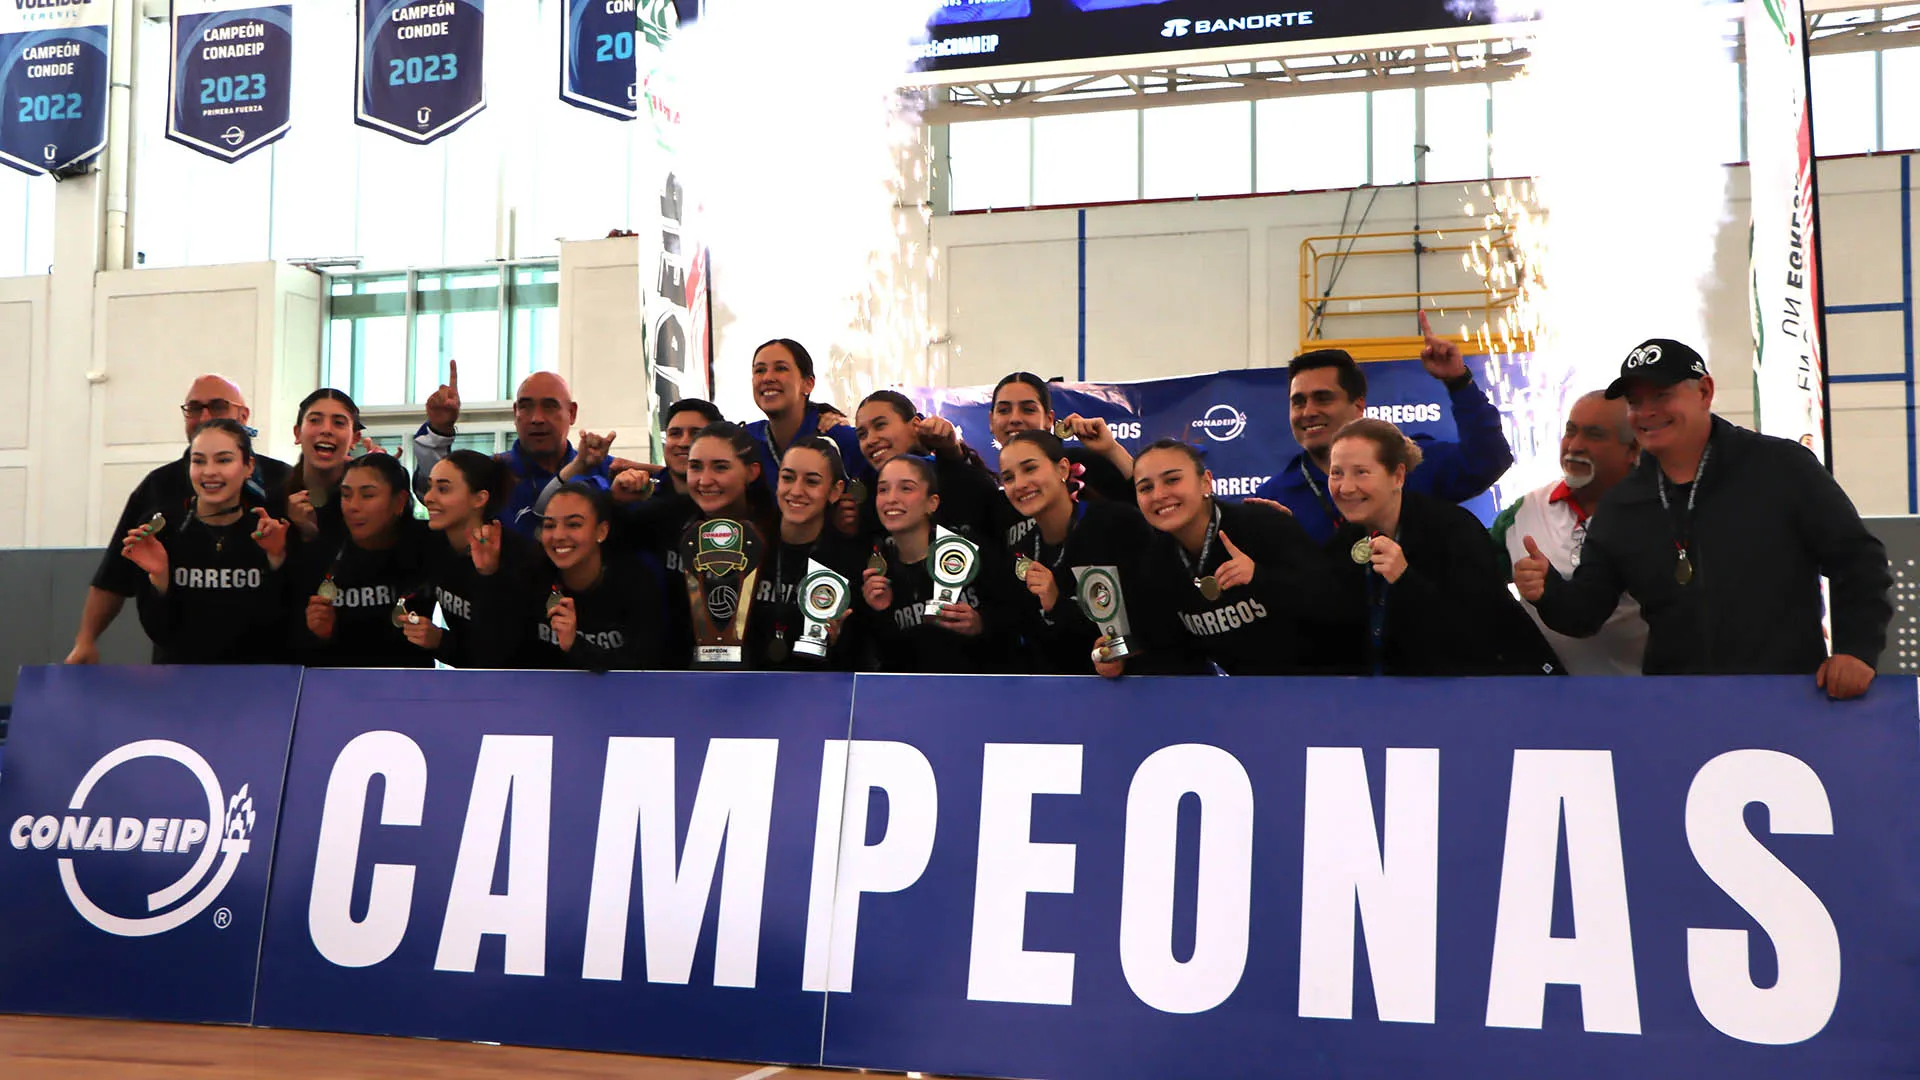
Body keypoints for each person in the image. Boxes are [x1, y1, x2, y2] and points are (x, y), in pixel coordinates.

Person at [1516, 339, 1892, 698]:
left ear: (1704, 392)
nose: (1646, 413)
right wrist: (1547, 591)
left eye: (1661, 396)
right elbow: (1586, 614)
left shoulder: (1780, 468)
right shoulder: (1621, 505)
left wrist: (1856, 649)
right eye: (1635, 402)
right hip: (1679, 710)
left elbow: (1858, 561)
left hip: (1787, 696)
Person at [68, 374, 291, 664]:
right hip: (178, 673)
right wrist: (85, 640)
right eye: (195, 408)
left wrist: (279, 558)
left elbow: (301, 592)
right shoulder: (158, 487)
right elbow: (114, 576)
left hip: (264, 672)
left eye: (218, 406)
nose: (205, 416)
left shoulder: (283, 484)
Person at [1323, 420, 1562, 676]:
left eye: (1361, 472)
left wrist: (1405, 579)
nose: (1345, 487)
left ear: (1398, 476)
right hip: (1398, 700)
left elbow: (1478, 636)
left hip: (1491, 694)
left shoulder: (1454, 530)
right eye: (1336, 473)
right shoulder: (1345, 542)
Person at [1249, 317, 1515, 543]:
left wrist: (1459, 382)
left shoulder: (1410, 463)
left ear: (1358, 405)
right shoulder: (1274, 499)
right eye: (1298, 402)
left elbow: (1489, 460)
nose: (1308, 412)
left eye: (1323, 398)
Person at [1125, 439, 1340, 676]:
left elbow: (1331, 603)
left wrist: (1259, 577)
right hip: (1238, 699)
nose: (1159, 495)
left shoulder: (1262, 524)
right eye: (1145, 488)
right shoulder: (1156, 562)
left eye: (1172, 480)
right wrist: (1122, 657)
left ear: (1206, 482)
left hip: (1322, 687)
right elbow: (1175, 656)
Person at [998, 431, 1198, 675]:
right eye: (1008, 478)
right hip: (1074, 696)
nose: (1019, 484)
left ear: (1062, 469)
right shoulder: (1022, 552)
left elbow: (1162, 618)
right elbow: (1046, 647)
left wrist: (1058, 604)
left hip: (1156, 685)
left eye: (1030, 469)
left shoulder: (1118, 523)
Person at [1489, 391, 1647, 675]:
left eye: (1594, 435)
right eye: (1570, 432)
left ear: (1632, 449)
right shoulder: (1525, 510)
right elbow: (1471, 575)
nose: (1575, 446)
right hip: (1546, 704)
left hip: (1648, 702)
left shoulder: (1659, 513)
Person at [119, 420, 292, 664]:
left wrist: (277, 559)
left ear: (248, 466)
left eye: (223, 460)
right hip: (181, 683)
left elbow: (280, 628)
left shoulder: (268, 530)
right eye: (199, 461)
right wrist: (160, 577)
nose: (209, 471)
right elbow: (159, 632)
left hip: (256, 683)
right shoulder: (162, 531)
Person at [412, 362, 613, 538]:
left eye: (549, 407)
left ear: (572, 413)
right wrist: (439, 430)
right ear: (515, 412)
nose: (537, 418)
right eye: (526, 407)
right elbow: (431, 489)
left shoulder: (604, 471)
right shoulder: (491, 473)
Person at [858, 455, 1016, 673]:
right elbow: (890, 662)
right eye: (883, 489)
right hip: (916, 698)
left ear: (932, 503)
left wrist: (982, 624)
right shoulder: (879, 571)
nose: (891, 498)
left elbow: (1016, 622)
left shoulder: (970, 550)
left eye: (906, 488)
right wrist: (881, 614)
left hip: (983, 693)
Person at [289, 453, 436, 668]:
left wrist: (439, 640)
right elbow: (288, 641)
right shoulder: (322, 548)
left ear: (400, 501)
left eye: (367, 495)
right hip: (334, 684)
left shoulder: (428, 546)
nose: (353, 506)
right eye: (346, 495)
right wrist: (319, 634)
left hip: (409, 685)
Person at [403, 449, 534, 667]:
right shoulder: (434, 544)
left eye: (443, 489)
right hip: (469, 681)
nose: (428, 498)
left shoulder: (517, 556)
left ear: (479, 499)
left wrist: (441, 641)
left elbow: (499, 656)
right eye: (430, 487)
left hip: (522, 685)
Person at [749, 438, 869, 669]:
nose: (796, 491)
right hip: (751, 691)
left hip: (820, 693)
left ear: (835, 491)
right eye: (788, 478)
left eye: (811, 481)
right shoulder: (750, 549)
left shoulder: (850, 562)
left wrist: (839, 641)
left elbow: (858, 659)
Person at [527, 482, 663, 671]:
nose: (558, 535)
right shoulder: (532, 577)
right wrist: (488, 575)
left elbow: (645, 664)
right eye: (549, 525)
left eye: (574, 524)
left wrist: (576, 645)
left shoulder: (635, 582)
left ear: (601, 531)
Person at [677, 423, 781, 667]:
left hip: (773, 686)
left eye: (720, 467)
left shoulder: (778, 535)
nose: (704, 480)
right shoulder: (678, 529)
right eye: (695, 467)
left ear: (752, 472)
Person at [853, 390, 1001, 544]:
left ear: (915, 425)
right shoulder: (865, 498)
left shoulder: (962, 480)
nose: (870, 440)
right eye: (862, 434)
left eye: (880, 425)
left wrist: (953, 454)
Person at [743, 338, 868, 494]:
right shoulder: (746, 441)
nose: (768, 378)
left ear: (808, 384)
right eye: (759, 370)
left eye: (781, 368)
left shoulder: (842, 439)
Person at [988, 372, 1135, 503]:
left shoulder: (1085, 466)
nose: (1015, 418)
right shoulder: (991, 497)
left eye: (1028, 410)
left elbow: (1143, 503)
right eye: (1004, 410)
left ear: (1049, 420)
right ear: (991, 421)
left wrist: (1112, 450)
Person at [284, 388, 376, 546]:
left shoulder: (368, 505)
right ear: (297, 433)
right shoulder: (273, 500)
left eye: (339, 423)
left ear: (355, 438)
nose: (326, 430)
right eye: (315, 420)